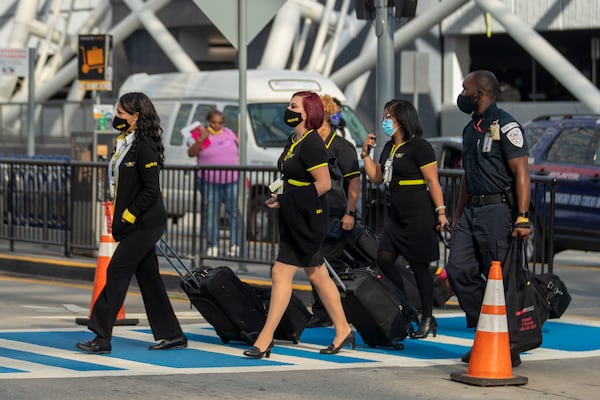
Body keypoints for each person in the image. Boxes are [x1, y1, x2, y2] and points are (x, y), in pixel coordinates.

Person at [243, 91, 354, 359]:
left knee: (282, 272)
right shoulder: (295, 140)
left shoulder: (312, 144)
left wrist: (287, 198)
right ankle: (342, 329)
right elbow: (292, 177)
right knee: (317, 273)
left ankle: (265, 337)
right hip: (295, 214)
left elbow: (324, 184)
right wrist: (281, 198)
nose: (288, 109)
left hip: (309, 218)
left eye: (293, 106)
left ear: (307, 113)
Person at [76, 92, 187, 354]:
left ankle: (101, 336)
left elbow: (150, 190)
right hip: (132, 222)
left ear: (136, 117)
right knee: (149, 280)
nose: (116, 117)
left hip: (144, 223)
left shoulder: (145, 146)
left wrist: (129, 215)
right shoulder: (124, 142)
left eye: (121, 113)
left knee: (116, 273)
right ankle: (172, 334)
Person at [445, 70, 532, 367]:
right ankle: (489, 331)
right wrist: (458, 216)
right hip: (471, 212)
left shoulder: (507, 126)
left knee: (500, 280)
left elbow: (521, 172)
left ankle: (505, 344)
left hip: (498, 211)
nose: (461, 93)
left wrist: (522, 216)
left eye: (465, 88)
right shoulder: (471, 129)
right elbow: (469, 177)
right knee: (457, 269)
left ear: (480, 93)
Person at [360, 99, 449, 339]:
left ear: (403, 119)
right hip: (396, 214)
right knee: (384, 258)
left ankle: (428, 317)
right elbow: (378, 177)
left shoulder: (419, 146)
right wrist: (366, 155)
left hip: (418, 214)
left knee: (420, 267)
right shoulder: (390, 147)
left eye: (389, 116)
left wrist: (440, 211)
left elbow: (432, 181)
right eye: (385, 116)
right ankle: (408, 307)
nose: (384, 121)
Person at [307, 94, 374, 328]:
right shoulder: (311, 144)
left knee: (323, 260)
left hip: (337, 214)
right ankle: (324, 310)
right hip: (316, 212)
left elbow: (354, 183)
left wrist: (350, 213)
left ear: (325, 121)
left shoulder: (342, 147)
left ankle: (326, 310)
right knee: (317, 260)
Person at [187, 109, 240, 257]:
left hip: (232, 180)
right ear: (208, 121)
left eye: (220, 123)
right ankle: (212, 245)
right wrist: (200, 139)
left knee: (234, 213)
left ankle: (235, 244)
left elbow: (238, 148)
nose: (217, 125)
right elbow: (191, 153)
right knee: (211, 213)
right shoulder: (200, 134)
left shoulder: (229, 133)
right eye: (214, 122)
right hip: (209, 181)